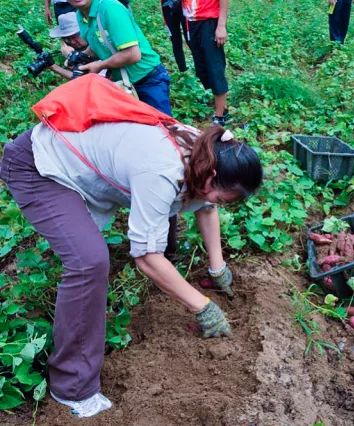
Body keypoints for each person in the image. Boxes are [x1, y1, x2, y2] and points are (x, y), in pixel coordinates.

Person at [0, 82, 263, 417]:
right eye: (226, 197)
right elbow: (146, 258)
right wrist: (203, 306)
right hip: (38, 167)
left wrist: (217, 267)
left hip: (81, 160)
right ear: (212, 176)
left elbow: (206, 206)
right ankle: (72, 388)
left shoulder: (209, 152)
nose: (221, 204)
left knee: (163, 228)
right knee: (89, 261)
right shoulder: (161, 169)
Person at [68, 0, 173, 115]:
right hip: (123, 83)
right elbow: (97, 42)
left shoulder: (110, 8)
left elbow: (132, 54)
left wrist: (100, 65)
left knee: (162, 127)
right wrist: (82, 56)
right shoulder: (81, 15)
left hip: (147, 79)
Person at [182, 0, 231, 126]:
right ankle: (222, 106)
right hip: (190, 21)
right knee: (202, 68)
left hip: (209, 21)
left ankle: (220, 116)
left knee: (215, 67)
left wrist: (221, 26)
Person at [47, 12, 93, 80]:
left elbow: (82, 79)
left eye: (75, 36)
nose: (72, 42)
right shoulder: (77, 48)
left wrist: (72, 56)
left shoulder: (98, 43)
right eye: (67, 38)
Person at [162, 0, 188, 72]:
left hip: (184, 4)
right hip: (167, 6)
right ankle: (183, 69)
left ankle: (200, 68)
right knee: (175, 41)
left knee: (190, 39)